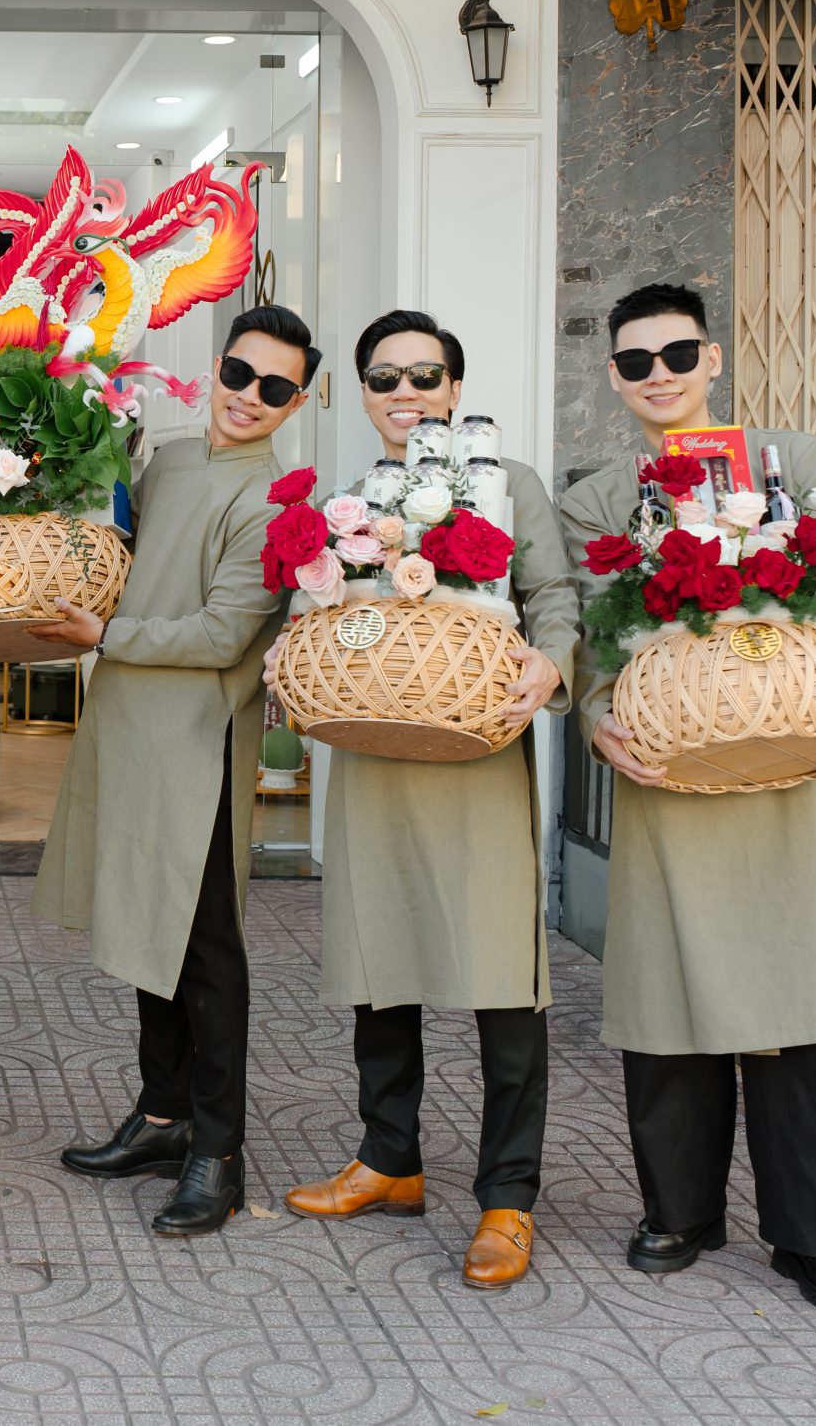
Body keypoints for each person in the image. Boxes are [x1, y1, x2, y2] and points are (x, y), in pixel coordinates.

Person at [558, 282, 816, 1320]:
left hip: (797, 767)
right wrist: (596, 720)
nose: (658, 374)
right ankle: (679, 1212)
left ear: (711, 358)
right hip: (674, 772)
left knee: (810, 1002)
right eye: (635, 362)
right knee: (673, 994)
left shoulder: (791, 459)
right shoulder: (597, 501)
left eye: (677, 353)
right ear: (614, 377)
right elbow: (593, 643)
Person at [272, 311, 577, 1290]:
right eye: (384, 377)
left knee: (502, 980)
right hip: (374, 754)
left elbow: (555, 596)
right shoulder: (351, 499)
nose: (404, 393)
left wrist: (550, 664)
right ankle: (389, 1158)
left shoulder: (509, 485)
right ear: (362, 393)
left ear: (454, 387)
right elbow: (320, 607)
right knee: (380, 959)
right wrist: (294, 647)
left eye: (424, 375)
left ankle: (507, 1196)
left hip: (474, 752)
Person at [33, 303, 313, 1237]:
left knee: (206, 950)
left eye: (274, 387)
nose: (249, 396)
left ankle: (218, 1152)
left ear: (296, 402)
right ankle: (163, 1117)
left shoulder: (276, 501)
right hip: (129, 724)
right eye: (239, 373)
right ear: (218, 367)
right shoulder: (172, 461)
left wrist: (103, 635)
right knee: (147, 923)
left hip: (199, 738)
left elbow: (224, 634)